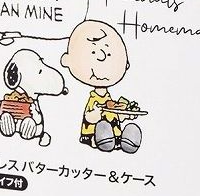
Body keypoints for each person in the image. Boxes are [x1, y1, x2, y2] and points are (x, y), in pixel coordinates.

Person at [61, 20, 142, 153]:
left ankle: (127, 141)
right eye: (93, 53)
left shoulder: (109, 99)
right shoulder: (94, 99)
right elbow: (89, 117)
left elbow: (115, 116)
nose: (101, 57)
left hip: (115, 134)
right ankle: (103, 140)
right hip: (91, 135)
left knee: (130, 127)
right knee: (103, 126)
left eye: (109, 54)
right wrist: (96, 114)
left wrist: (126, 115)